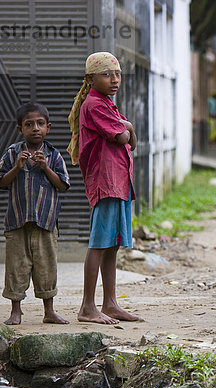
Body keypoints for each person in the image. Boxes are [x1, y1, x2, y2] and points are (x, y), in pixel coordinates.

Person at [67, 52, 142, 324]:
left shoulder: (108, 104)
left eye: (118, 74)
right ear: (90, 79)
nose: (115, 80)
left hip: (119, 182)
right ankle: (87, 306)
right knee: (99, 244)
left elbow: (129, 143)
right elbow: (124, 136)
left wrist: (127, 130)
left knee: (113, 245)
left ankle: (110, 303)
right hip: (106, 182)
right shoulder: (95, 105)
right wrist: (130, 126)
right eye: (107, 74)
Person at [0, 102, 70, 325]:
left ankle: (49, 311)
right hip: (17, 222)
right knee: (16, 266)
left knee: (47, 266)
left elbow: (63, 185)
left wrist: (45, 168)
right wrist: (17, 167)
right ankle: (16, 311)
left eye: (40, 124)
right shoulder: (12, 153)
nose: (35, 128)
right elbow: (0, 182)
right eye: (29, 124)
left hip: (46, 222)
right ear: (20, 129)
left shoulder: (54, 156)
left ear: (48, 127)